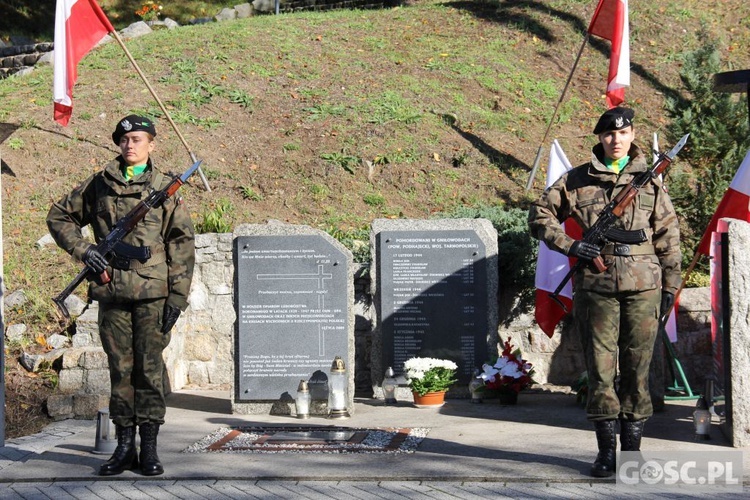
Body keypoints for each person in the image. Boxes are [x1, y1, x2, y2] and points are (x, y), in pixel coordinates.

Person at [528, 107, 681, 477]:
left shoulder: (650, 182)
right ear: (599, 137)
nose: (616, 140)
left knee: (637, 368)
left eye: (623, 133)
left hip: (645, 286)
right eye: (609, 134)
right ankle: (605, 455)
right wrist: (571, 245)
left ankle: (632, 454)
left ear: (632, 135)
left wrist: (671, 287)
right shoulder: (576, 180)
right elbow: (539, 216)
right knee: (600, 369)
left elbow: (668, 236)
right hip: (597, 287)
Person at [47, 115, 196, 476]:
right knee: (120, 371)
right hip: (112, 291)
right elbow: (59, 216)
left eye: (138, 139)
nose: (130, 145)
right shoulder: (100, 184)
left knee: (149, 370)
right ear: (118, 143)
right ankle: (124, 447)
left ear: (152, 144)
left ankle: (149, 449)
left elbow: (181, 245)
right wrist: (84, 250)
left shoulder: (165, 189)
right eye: (125, 139)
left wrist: (177, 298)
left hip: (153, 296)